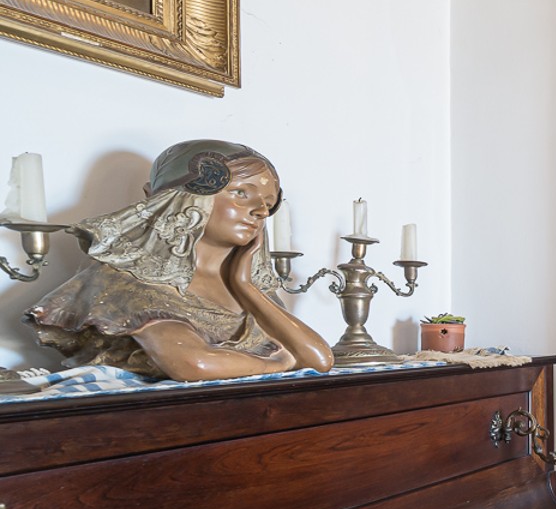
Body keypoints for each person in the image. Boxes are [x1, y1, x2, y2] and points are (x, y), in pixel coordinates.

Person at [28, 140, 335, 381]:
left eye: (268, 203)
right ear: (183, 199)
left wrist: (245, 287)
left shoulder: (243, 284)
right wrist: (277, 362)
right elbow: (193, 362)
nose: (261, 211)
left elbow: (319, 360)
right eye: (241, 193)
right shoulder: (127, 280)